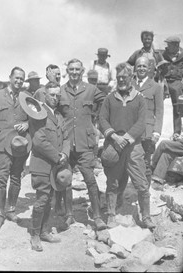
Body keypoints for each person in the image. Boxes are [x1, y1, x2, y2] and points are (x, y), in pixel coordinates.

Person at [98, 62, 154, 229]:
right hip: (114, 145)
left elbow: (141, 122)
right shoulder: (109, 98)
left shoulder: (139, 99)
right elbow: (102, 119)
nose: (121, 79)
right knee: (113, 182)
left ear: (132, 77)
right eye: (119, 77)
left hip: (133, 146)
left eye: (125, 77)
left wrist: (128, 138)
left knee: (142, 184)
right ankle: (111, 215)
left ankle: (146, 217)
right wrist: (114, 136)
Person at [58, 58, 107, 230]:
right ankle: (69, 214)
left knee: (90, 180)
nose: (74, 72)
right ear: (67, 70)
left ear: (82, 70)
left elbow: (107, 102)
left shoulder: (91, 89)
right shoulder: (60, 90)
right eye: (71, 69)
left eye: (77, 69)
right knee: (66, 180)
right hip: (66, 143)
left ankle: (98, 217)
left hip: (85, 143)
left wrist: (98, 123)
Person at [25, 82, 70, 251]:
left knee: (49, 199)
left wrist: (65, 154)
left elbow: (66, 137)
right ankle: (35, 235)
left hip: (56, 165)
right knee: (41, 200)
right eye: (52, 95)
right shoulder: (38, 114)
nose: (55, 98)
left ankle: (44, 230)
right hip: (42, 165)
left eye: (58, 95)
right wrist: (57, 156)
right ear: (44, 94)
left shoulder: (58, 115)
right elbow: (38, 141)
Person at [0, 66, 30, 231]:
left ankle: (11, 210)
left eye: (21, 79)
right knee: (1, 179)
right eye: (16, 78)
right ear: (10, 77)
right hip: (2, 145)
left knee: (16, 177)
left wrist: (26, 124)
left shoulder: (26, 97)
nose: (19, 81)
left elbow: (34, 119)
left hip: (20, 146)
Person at [161, 36, 183, 138]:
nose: (167, 46)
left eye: (169, 44)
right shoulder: (162, 54)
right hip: (164, 82)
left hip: (177, 83)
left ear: (176, 45)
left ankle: (177, 132)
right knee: (156, 104)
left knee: (178, 108)